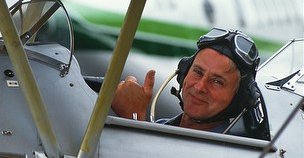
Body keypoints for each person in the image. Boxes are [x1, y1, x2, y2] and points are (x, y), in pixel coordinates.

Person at [111, 27, 261, 133]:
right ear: (183, 73)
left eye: (217, 82)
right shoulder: (160, 128)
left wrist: (132, 119)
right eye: (197, 72)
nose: (200, 87)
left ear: (240, 98)